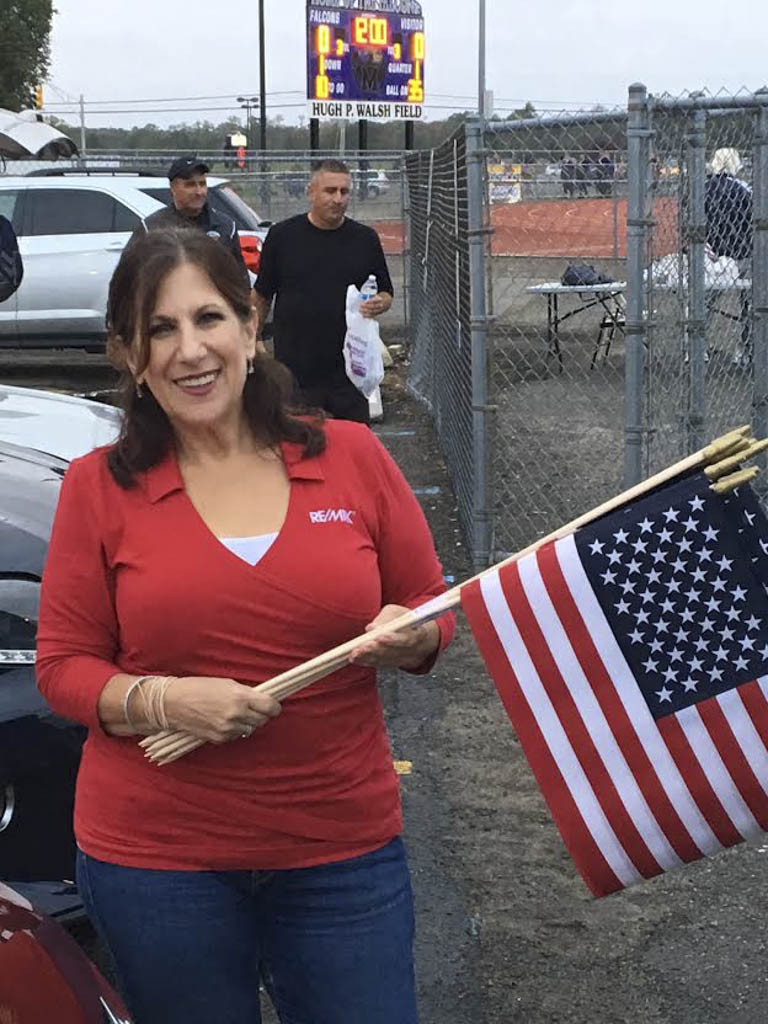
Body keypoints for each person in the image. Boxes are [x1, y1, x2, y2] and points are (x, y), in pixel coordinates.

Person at [36, 227, 454, 1024]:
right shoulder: (98, 488)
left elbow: (433, 610)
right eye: (159, 329)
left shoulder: (354, 457)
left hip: (340, 851)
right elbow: (62, 666)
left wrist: (416, 635)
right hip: (158, 863)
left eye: (209, 319)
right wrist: (165, 702)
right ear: (128, 354)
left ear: (251, 327)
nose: (190, 351)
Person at [253, 159, 394, 425]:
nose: (338, 199)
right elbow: (261, 295)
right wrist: (255, 342)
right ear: (311, 192)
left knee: (352, 451)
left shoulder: (364, 239)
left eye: (344, 191)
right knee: (302, 453)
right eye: (330, 191)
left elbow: (386, 293)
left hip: (351, 372)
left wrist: (380, 303)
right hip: (296, 374)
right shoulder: (283, 237)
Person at [129, 155, 250, 289]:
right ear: (173, 188)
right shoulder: (152, 228)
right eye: (190, 185)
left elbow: (240, 279)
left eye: (202, 184)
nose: (199, 191)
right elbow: (128, 280)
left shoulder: (225, 226)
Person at [705, 147, 753, 364]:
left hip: (713, 252)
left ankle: (697, 347)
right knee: (748, 303)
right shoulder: (743, 189)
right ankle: (744, 349)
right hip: (742, 252)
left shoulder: (704, 187)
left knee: (705, 301)